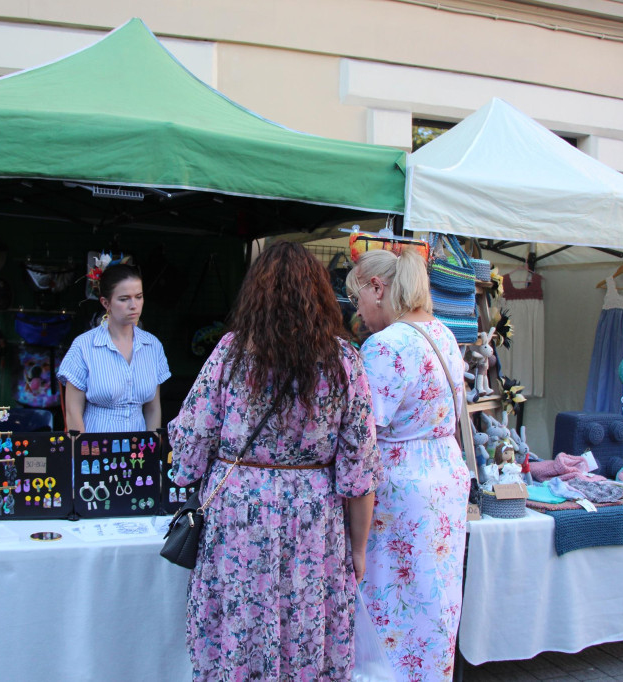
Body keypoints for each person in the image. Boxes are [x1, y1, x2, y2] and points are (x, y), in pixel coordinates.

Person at [168, 241, 380, 681]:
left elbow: (190, 439)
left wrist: (187, 476)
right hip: (313, 524)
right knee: (305, 628)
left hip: (238, 518)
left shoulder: (231, 353)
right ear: (321, 294)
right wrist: (358, 550)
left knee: (241, 627)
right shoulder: (344, 362)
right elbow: (359, 471)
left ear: (256, 293)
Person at [346, 248, 469, 682]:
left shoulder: (385, 345)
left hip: (401, 492)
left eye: (356, 295)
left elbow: (360, 436)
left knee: (389, 609)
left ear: (377, 289)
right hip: (445, 481)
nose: (356, 309)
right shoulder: (442, 333)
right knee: (431, 609)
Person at [58, 264, 170, 432]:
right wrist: (84, 454)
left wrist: (152, 452)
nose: (134, 305)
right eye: (124, 299)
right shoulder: (84, 346)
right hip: (96, 448)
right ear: (106, 302)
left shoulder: (152, 346)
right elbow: (73, 412)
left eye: (138, 297)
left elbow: (153, 409)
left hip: (139, 450)